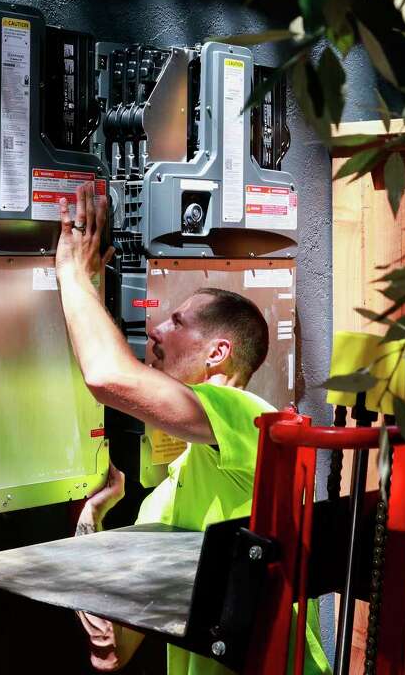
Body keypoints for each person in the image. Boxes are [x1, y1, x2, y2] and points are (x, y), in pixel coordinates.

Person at [55, 183, 330, 675]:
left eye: (177, 322)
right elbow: (112, 653)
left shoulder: (251, 417)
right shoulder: (161, 501)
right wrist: (90, 522)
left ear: (217, 355)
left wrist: (73, 276)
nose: (156, 330)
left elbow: (106, 376)